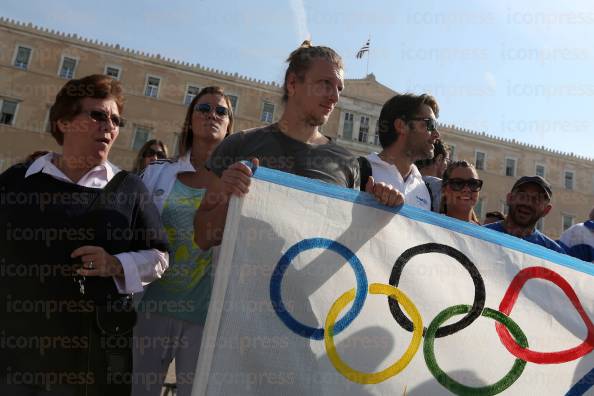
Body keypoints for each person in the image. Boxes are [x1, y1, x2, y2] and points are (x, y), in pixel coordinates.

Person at [0, 74, 169, 395]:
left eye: (116, 120)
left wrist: (115, 265)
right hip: (13, 358)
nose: (110, 126)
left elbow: (159, 258)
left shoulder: (128, 189)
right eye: (98, 115)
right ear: (63, 121)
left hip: (89, 362)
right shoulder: (18, 180)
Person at [194, 41, 404, 250]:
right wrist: (230, 201)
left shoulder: (348, 163)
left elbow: (345, 247)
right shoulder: (238, 145)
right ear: (293, 83)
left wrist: (378, 208)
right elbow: (202, 236)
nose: (335, 96)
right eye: (325, 84)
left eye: (339, 88)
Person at [132, 87, 233, 396]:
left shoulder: (240, 183)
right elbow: (134, 233)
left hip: (205, 318)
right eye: (203, 108)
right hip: (151, 309)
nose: (211, 115)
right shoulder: (155, 174)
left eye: (221, 111)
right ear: (190, 120)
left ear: (230, 126)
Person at [361, 93, 441, 211]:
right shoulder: (358, 171)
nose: (436, 134)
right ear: (401, 126)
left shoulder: (425, 190)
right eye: (430, 125)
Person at [484, 175, 566, 253]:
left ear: (546, 210)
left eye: (537, 199)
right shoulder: (479, 237)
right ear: (509, 198)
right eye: (522, 195)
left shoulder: (554, 254)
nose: (528, 203)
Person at [414, 138, 449, 211]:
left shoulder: (406, 181)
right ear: (439, 159)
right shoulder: (443, 188)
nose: (447, 165)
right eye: (446, 160)